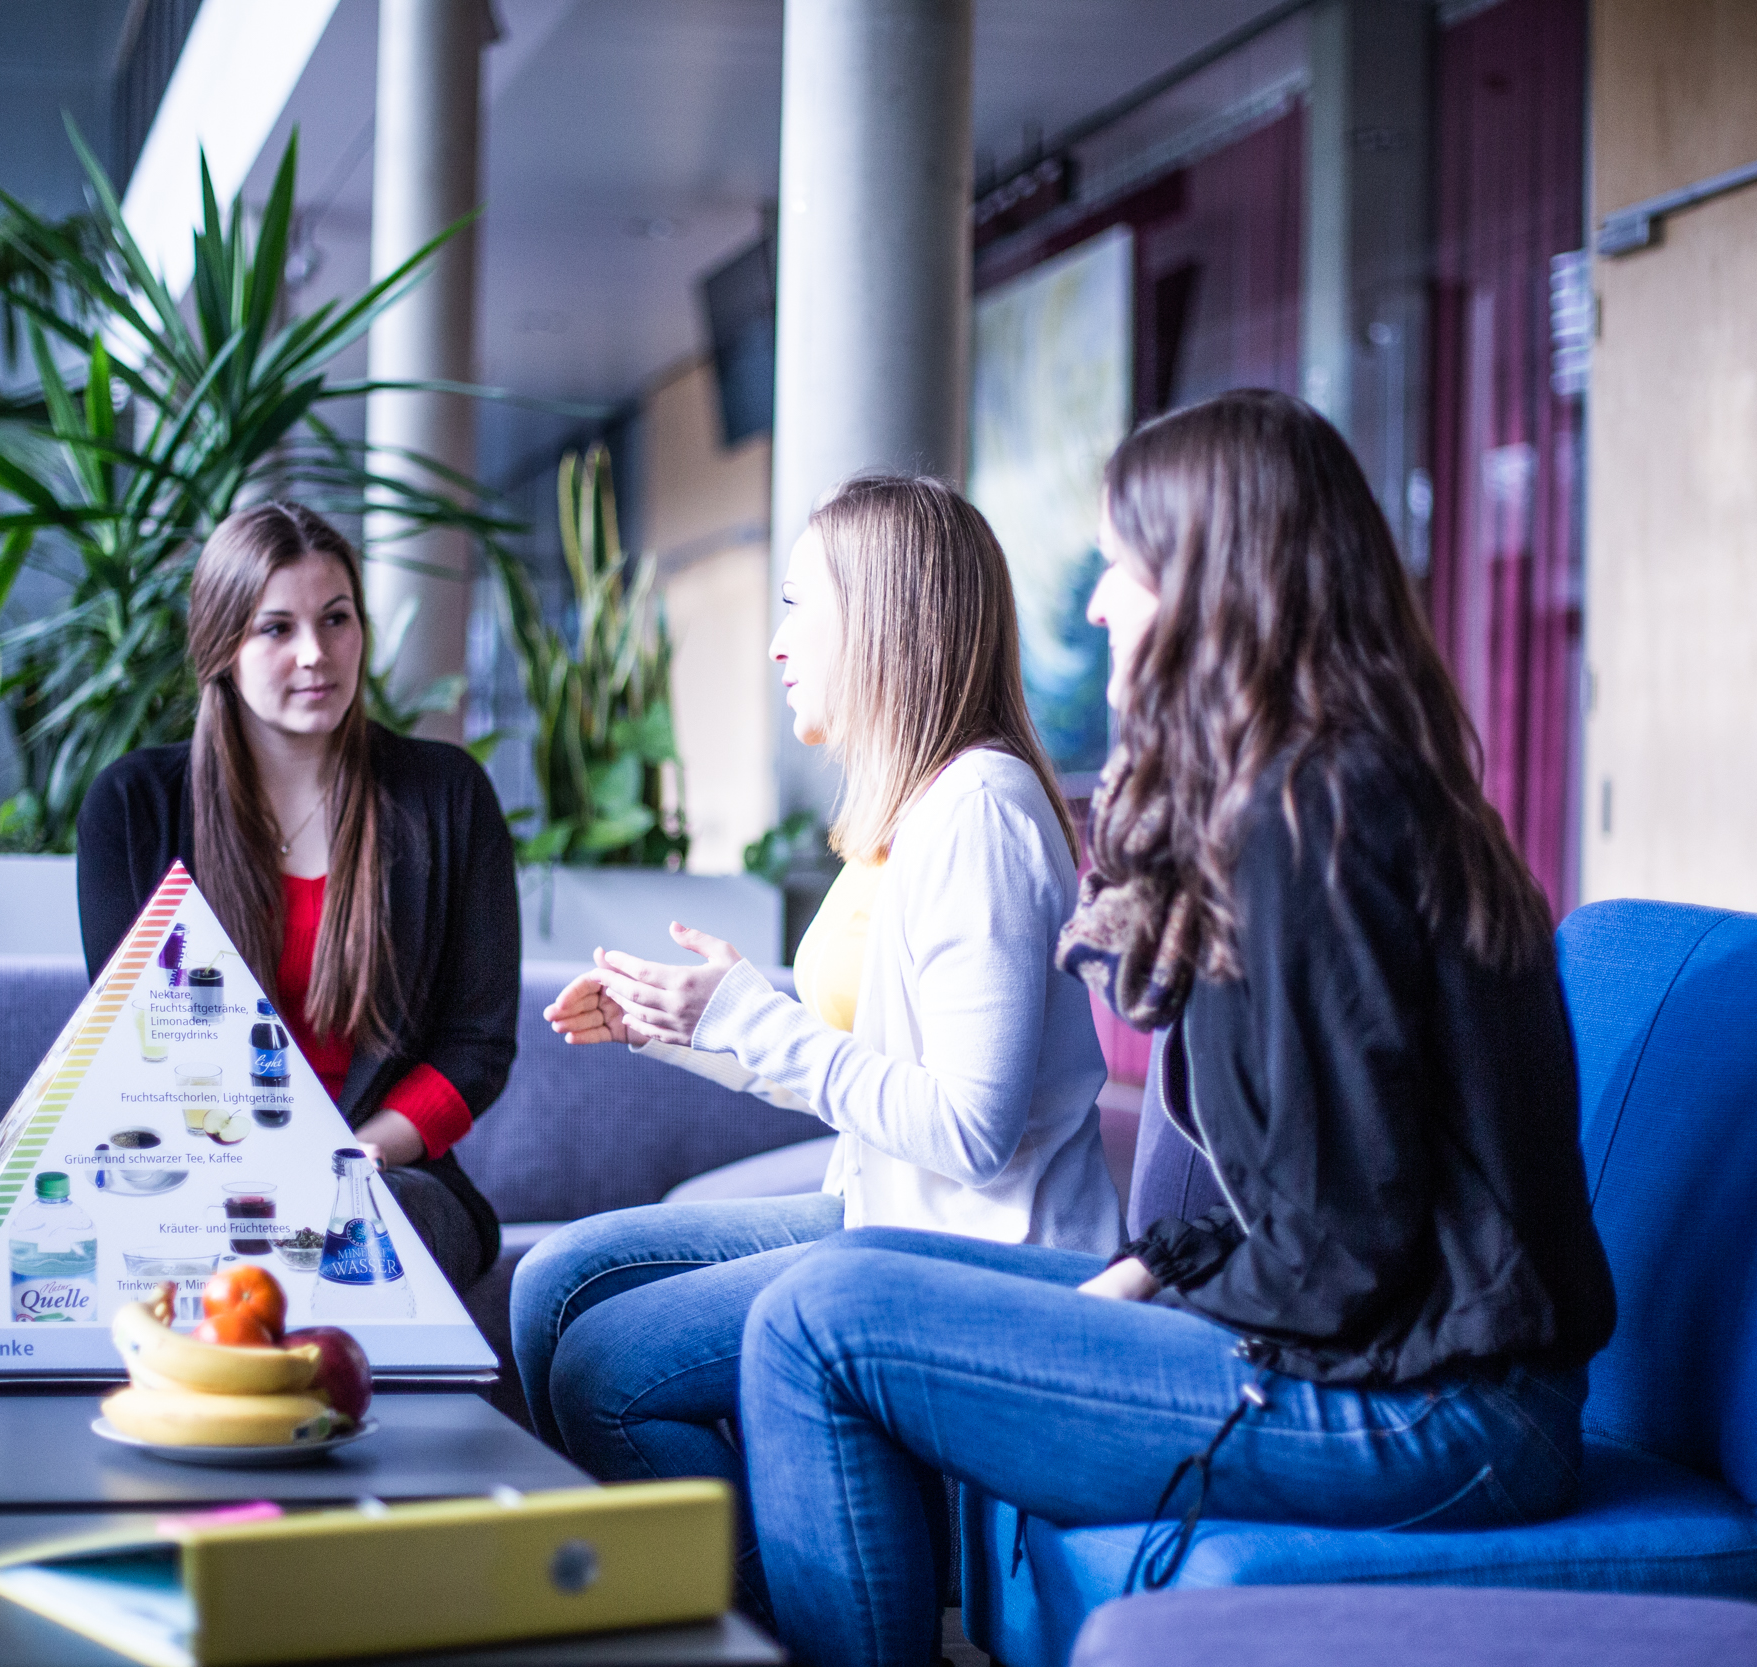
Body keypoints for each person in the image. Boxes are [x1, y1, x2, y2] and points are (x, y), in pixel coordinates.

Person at [733, 392, 1620, 1667]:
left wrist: (1147, 1297)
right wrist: (1153, 1265)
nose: (1097, 605)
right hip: (1392, 1353)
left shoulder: (1316, 821)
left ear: (1218, 583)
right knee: (833, 1297)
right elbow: (1331, 1189)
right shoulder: (1322, 789)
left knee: (818, 1322)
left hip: (1436, 1410)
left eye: (1123, 567)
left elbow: (1338, 1247)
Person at [510, 474, 1121, 1611]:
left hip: (976, 1244)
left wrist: (746, 1016)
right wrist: (683, 1028)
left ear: (883, 620)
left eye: (801, 608)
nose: (780, 644)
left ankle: (763, 1624)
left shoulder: (979, 812)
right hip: (891, 1209)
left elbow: (968, 1130)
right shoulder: (909, 808)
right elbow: (852, 1064)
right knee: (552, 1284)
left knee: (606, 1368)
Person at [76, 503, 518, 1290]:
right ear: (222, 644)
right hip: (199, 1185)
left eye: (336, 618)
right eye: (276, 628)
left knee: (368, 1234)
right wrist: (258, 1179)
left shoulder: (447, 796)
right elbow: (138, 1046)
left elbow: (477, 1047)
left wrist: (353, 1158)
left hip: (388, 1175)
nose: (317, 654)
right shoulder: (133, 808)